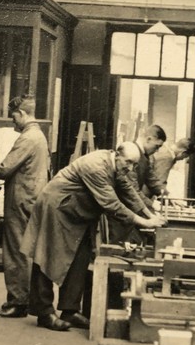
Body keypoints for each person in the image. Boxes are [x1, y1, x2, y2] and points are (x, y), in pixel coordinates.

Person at [23, 142, 165, 331]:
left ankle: (69, 310)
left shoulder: (118, 166)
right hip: (57, 206)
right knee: (47, 255)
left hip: (77, 211)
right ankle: (44, 312)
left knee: (80, 258)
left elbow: (129, 191)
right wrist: (144, 222)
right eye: (128, 162)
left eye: (134, 165)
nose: (130, 168)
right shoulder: (96, 166)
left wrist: (150, 214)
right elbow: (111, 204)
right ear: (116, 155)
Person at [0, 95, 50, 319]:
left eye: (13, 115)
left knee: (16, 252)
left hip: (21, 200)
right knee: (24, 251)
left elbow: (4, 169)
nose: (12, 120)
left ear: (22, 114)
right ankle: (24, 299)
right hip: (31, 198)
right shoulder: (39, 136)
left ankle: (17, 302)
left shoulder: (28, 137)